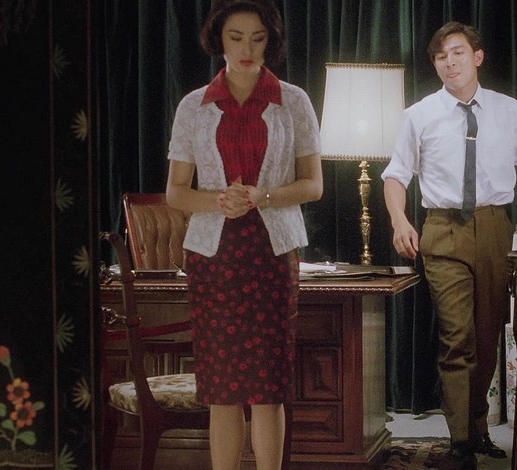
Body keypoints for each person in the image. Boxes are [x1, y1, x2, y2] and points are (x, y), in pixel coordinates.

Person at [381, 21, 517, 469]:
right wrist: (400, 220)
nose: (450, 62)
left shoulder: (509, 110)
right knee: (456, 335)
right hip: (443, 231)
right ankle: (459, 440)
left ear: (477, 57)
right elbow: (397, 174)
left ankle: (477, 425)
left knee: (486, 332)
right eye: (441, 57)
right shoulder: (419, 115)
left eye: (458, 52)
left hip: (495, 227)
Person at [165, 0, 323, 468]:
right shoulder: (193, 106)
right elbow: (176, 192)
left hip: (271, 252)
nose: (247, 48)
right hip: (214, 258)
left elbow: (313, 185)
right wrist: (219, 200)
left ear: (271, 40)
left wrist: (263, 196)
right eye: (236, 37)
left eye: (258, 38)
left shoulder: (293, 101)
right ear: (219, 40)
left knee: (268, 388)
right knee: (223, 391)